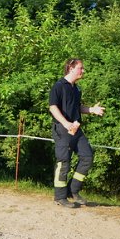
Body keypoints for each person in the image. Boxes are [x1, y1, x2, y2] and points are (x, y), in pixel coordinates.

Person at [49, 58, 105, 208]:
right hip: (63, 129)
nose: (83, 71)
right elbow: (53, 108)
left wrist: (92, 110)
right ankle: (60, 197)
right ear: (71, 68)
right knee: (64, 162)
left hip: (76, 129)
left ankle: (72, 191)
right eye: (81, 68)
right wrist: (65, 123)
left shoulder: (76, 89)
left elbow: (77, 107)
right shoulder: (58, 86)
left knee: (87, 157)